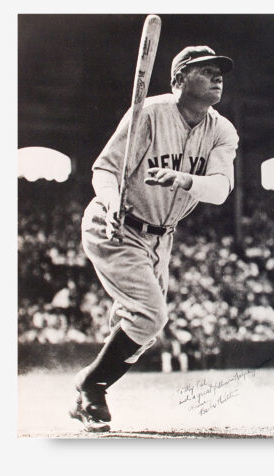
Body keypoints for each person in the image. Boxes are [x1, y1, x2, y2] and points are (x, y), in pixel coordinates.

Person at [70, 45, 239, 431]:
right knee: (150, 316)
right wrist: (111, 201)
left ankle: (89, 386)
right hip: (117, 223)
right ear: (178, 79)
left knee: (144, 330)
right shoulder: (149, 113)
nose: (217, 77)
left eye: (219, 72)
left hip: (161, 237)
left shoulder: (222, 129)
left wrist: (184, 179)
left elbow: (218, 190)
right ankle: (90, 388)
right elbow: (104, 170)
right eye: (205, 71)